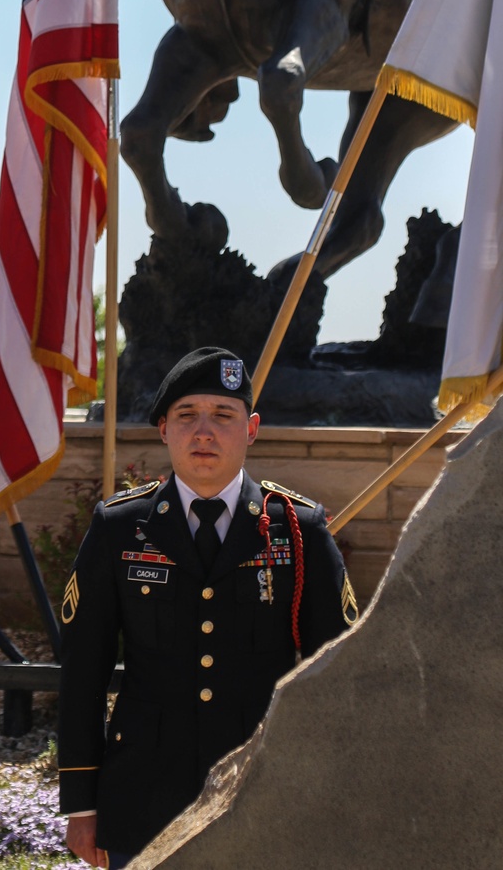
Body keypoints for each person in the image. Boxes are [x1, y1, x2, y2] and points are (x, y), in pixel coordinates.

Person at [58, 345, 358, 868]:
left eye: (223, 415)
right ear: (163, 430)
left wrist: (329, 791)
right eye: (186, 415)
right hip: (145, 794)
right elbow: (83, 671)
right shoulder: (120, 527)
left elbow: (336, 672)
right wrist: (82, 802)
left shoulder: (298, 529)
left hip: (262, 789)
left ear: (252, 428)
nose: (203, 432)